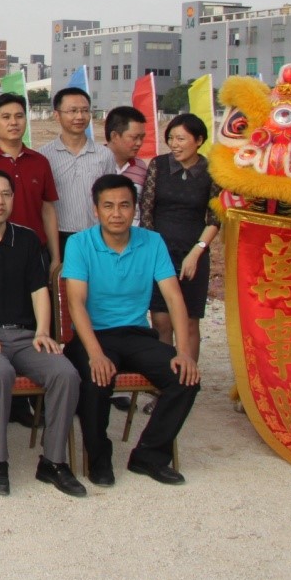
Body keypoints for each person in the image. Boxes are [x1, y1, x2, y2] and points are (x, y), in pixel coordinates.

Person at [0, 169, 86, 497]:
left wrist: (43, 331)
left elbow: (39, 290)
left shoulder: (26, 239)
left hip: (26, 336)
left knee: (66, 374)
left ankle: (53, 461)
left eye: (6, 194)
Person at [62, 175, 201, 487]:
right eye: (108, 206)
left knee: (185, 377)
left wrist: (183, 352)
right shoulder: (80, 243)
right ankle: (99, 459)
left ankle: (148, 456)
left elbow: (173, 297)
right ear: (96, 210)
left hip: (136, 334)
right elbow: (76, 303)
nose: (116, 213)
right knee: (95, 379)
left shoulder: (152, 242)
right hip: (93, 335)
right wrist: (96, 354)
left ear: (135, 209)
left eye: (124, 205)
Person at [139, 114, 220, 363]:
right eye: (171, 138)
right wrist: (154, 251)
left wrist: (197, 252)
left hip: (193, 254)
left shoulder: (211, 172)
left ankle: (189, 376)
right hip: (159, 252)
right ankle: (166, 377)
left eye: (181, 139)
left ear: (199, 140)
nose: (174, 144)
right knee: (161, 320)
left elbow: (215, 218)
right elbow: (146, 211)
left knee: (189, 321)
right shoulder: (159, 165)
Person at [0, 93, 60, 265]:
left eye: (19, 116)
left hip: (34, 251)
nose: (14, 122)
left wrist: (55, 257)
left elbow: (48, 211)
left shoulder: (40, 162)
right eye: (6, 117)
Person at [39, 87, 116, 270]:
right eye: (72, 111)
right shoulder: (44, 156)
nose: (80, 117)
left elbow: (110, 198)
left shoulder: (104, 155)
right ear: (57, 115)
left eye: (84, 110)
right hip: (58, 237)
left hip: (95, 236)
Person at [104, 105, 151, 195]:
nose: (139, 143)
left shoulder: (141, 168)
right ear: (114, 136)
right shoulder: (92, 163)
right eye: (134, 137)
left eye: (142, 137)